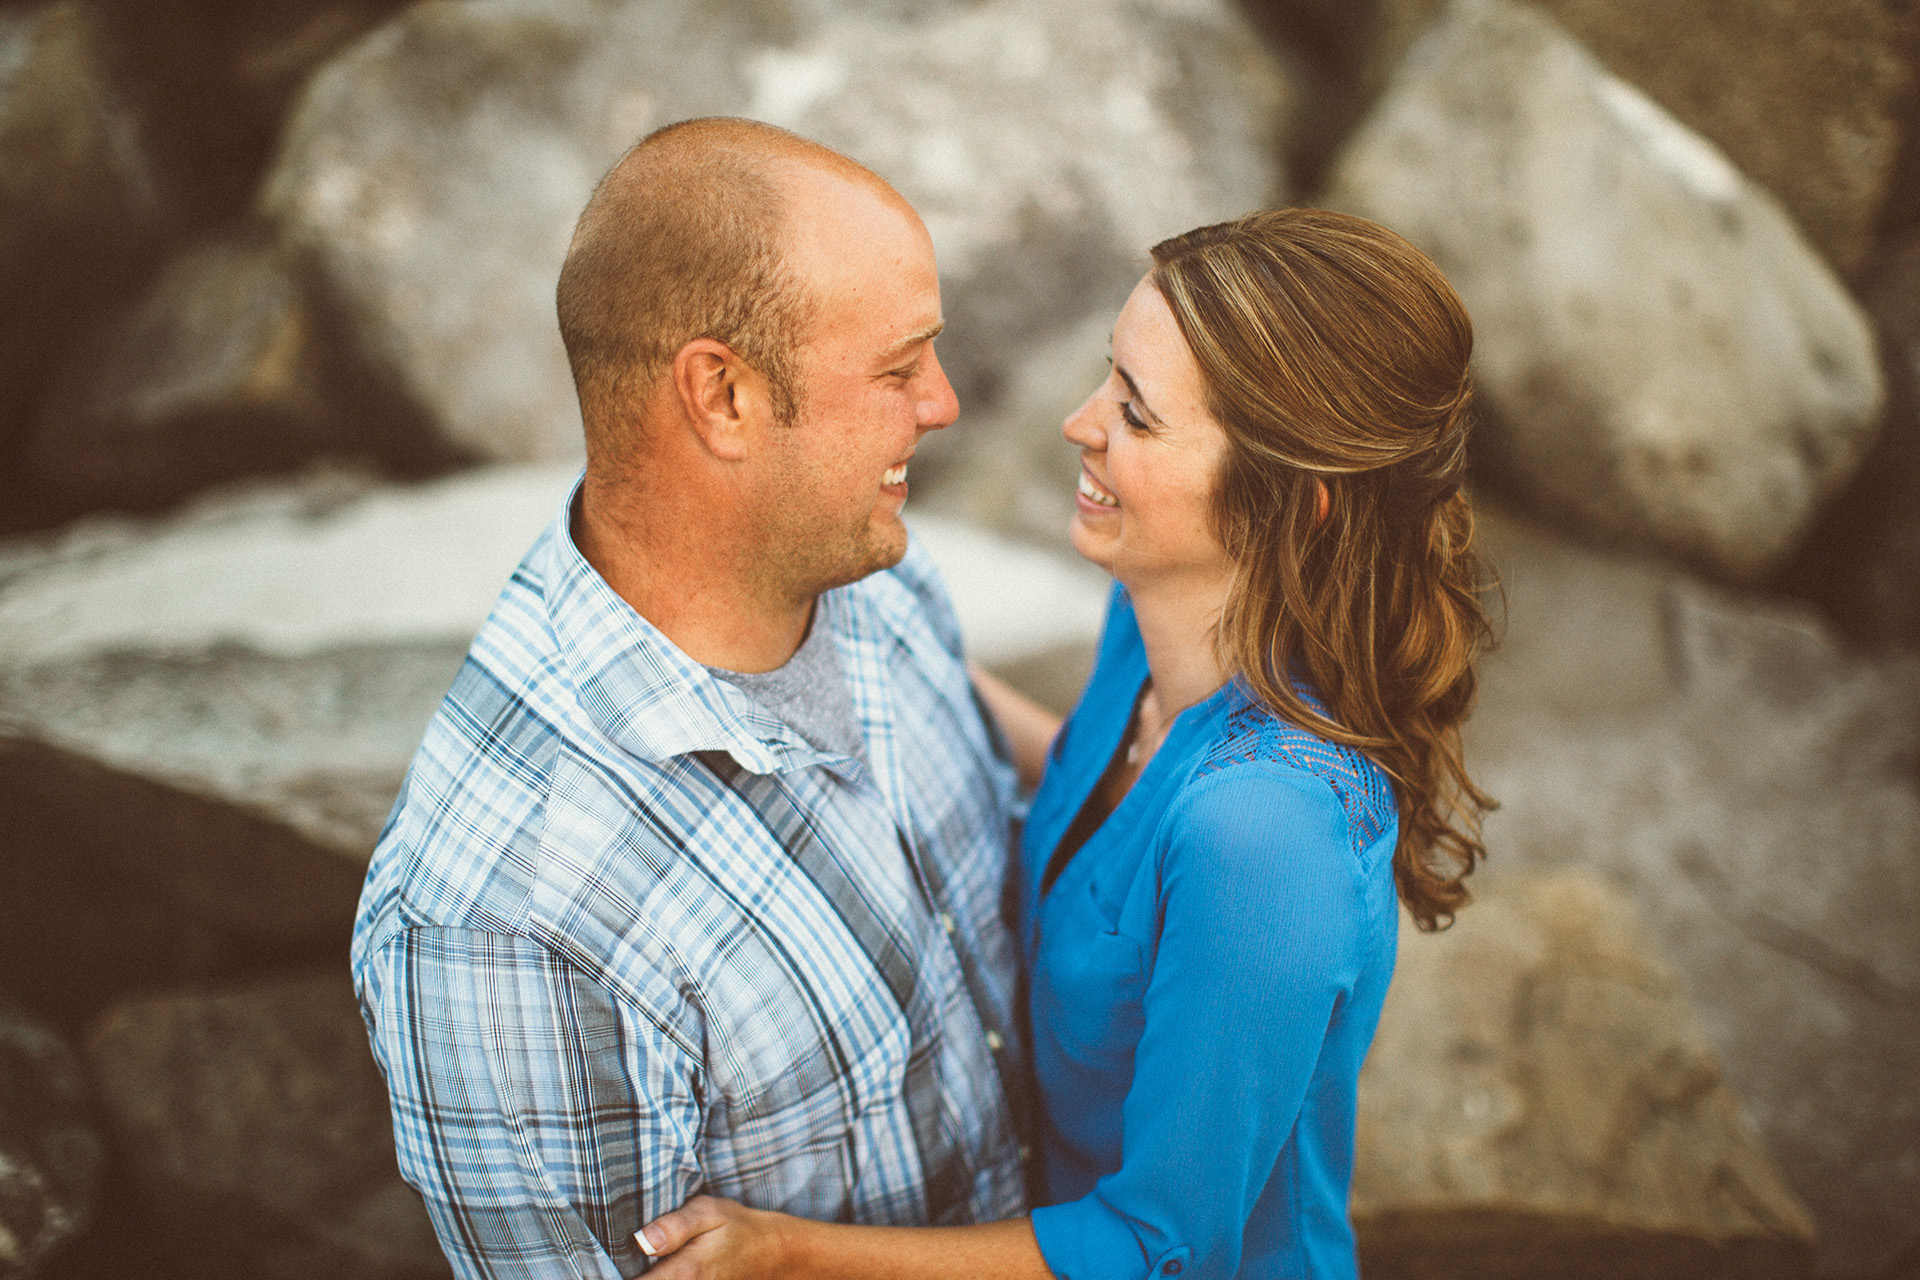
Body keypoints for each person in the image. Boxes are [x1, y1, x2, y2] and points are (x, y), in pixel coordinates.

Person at [634, 206, 1497, 1279]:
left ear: (1295, 504)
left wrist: (786, 1250)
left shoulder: (1266, 836)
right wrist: (859, 645)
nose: (1078, 424)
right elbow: (1110, 794)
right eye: (1109, 378)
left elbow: (1157, 1243)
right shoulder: (1153, 622)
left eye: (1136, 417)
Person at [350, 117, 1033, 1279]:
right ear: (722, 395)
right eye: (897, 365)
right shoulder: (508, 920)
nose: (945, 401)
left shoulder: (860, 552)